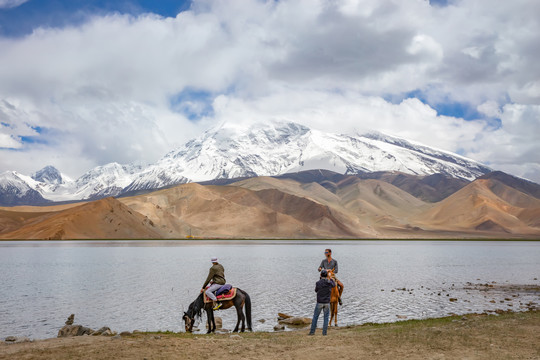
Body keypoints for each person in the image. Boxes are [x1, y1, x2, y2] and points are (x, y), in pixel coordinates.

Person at [308, 269, 335, 336]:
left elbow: (316, 290)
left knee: (315, 317)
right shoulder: (329, 283)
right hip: (327, 302)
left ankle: (312, 332)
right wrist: (330, 278)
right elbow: (334, 285)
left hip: (319, 302)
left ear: (320, 275)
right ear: (327, 275)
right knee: (326, 317)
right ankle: (324, 333)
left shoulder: (318, 283)